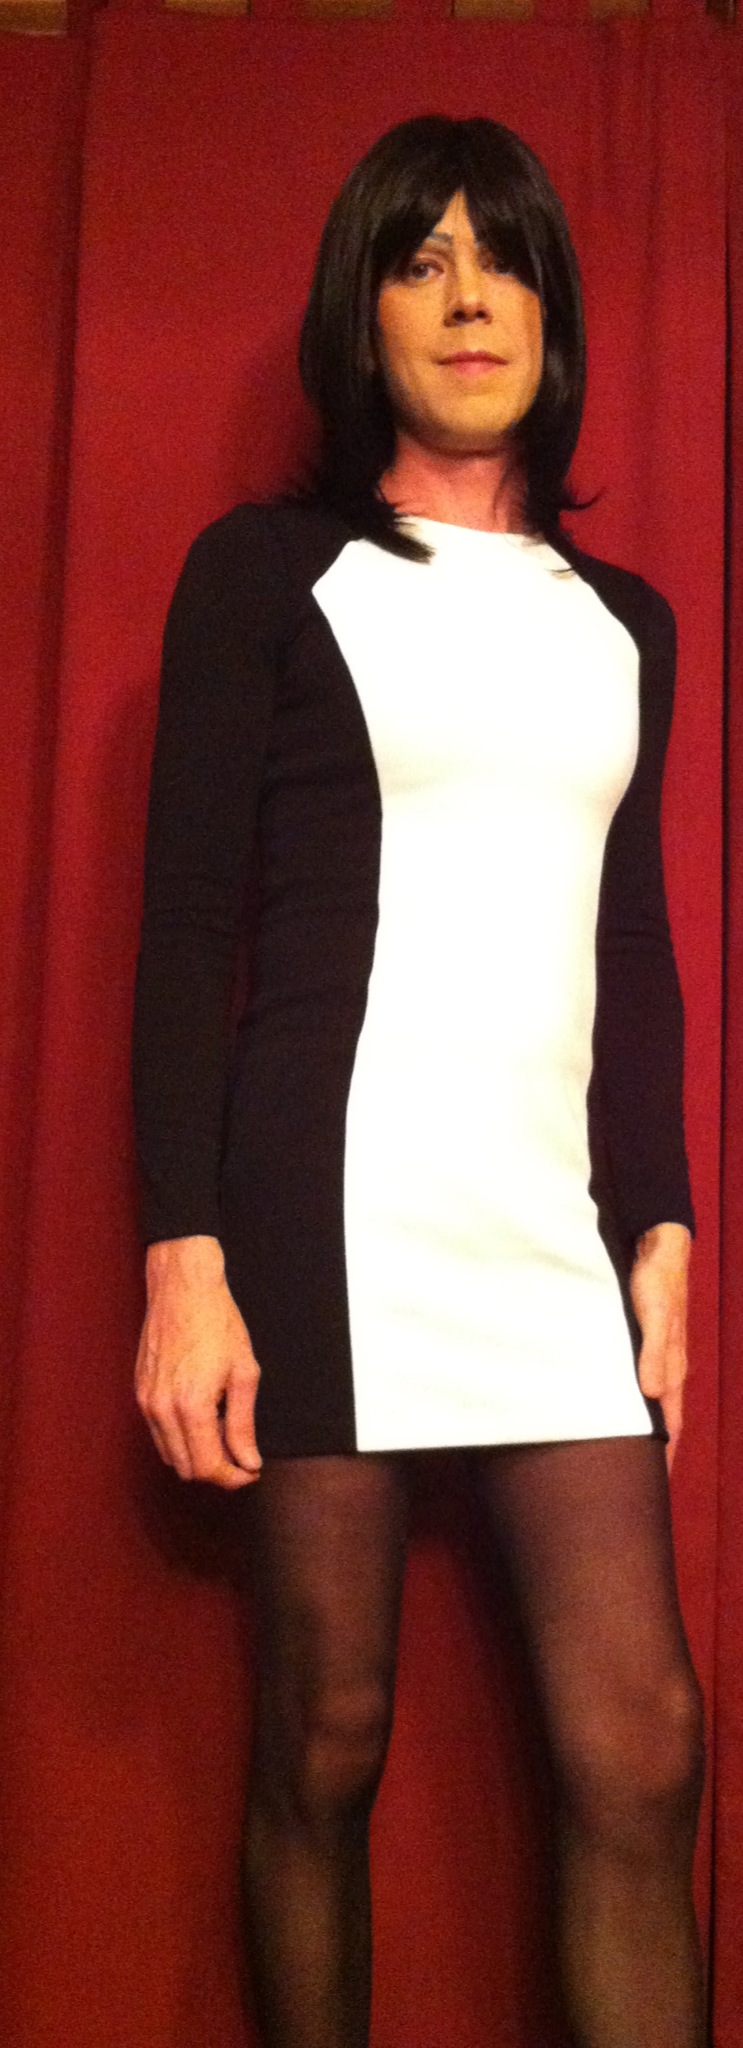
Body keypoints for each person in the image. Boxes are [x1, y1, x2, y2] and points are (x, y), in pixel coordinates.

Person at [131, 115, 706, 2048]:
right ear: (360, 312)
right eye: (422, 259)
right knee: (327, 1731)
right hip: (329, 1215)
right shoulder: (266, 575)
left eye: (505, 258)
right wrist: (183, 1255)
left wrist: (663, 1220)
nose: (471, 300)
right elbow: (187, 932)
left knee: (644, 1747)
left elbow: (631, 940)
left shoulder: (627, 624)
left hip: (547, 1237)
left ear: (555, 308)